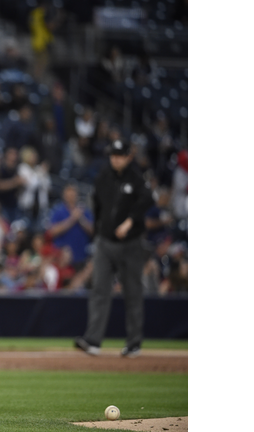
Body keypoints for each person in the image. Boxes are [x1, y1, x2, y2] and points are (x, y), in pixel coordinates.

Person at [74, 140, 154, 358]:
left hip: (131, 244)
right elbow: (97, 205)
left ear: (128, 156)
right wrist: (99, 230)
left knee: (133, 293)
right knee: (99, 290)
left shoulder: (136, 178)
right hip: (105, 243)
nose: (115, 159)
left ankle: (134, 343)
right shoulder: (103, 177)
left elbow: (148, 199)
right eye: (113, 155)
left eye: (119, 155)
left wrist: (130, 221)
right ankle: (93, 340)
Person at [47, 183, 94, 269]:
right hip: (61, 258)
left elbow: (93, 231)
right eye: (69, 194)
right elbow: (52, 232)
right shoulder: (58, 211)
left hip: (81, 257)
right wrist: (72, 219)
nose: (71, 196)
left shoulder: (84, 211)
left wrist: (81, 219)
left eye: (73, 194)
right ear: (64, 195)